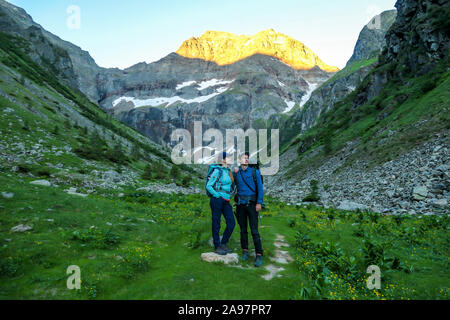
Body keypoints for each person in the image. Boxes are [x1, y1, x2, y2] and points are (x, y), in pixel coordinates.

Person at [233, 152, 264, 267]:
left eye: (247, 158)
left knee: (254, 230)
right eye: (243, 158)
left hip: (252, 204)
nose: (246, 160)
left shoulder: (255, 172)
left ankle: (259, 254)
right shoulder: (236, 173)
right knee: (243, 229)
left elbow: (260, 188)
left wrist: (259, 202)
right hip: (240, 205)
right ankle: (245, 250)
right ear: (239, 160)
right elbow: (229, 181)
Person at [206, 152, 236, 256]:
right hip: (217, 200)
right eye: (228, 157)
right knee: (216, 223)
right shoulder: (217, 171)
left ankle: (223, 243)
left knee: (231, 223)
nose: (230, 159)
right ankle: (217, 246)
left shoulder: (228, 171)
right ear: (222, 160)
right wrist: (216, 195)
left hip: (226, 200)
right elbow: (208, 186)